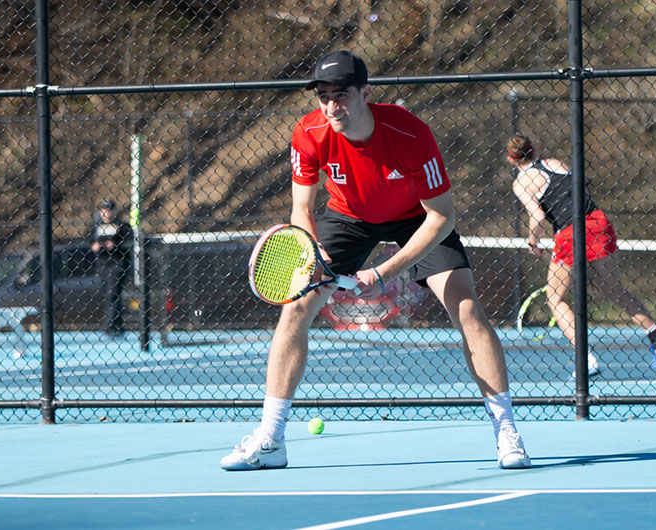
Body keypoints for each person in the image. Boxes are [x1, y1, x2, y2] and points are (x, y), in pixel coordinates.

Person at [220, 50, 531, 471]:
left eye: (341, 95)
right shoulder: (308, 133)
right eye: (324, 96)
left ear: (365, 93)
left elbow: (442, 216)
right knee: (295, 308)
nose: (332, 106)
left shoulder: (410, 135)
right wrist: (314, 250)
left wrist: (386, 272)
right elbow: (301, 209)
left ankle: (507, 433)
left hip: (416, 218)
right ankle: (271, 440)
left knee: (467, 308)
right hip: (348, 217)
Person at [507, 135, 656, 377]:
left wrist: (533, 242)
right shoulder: (555, 163)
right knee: (612, 288)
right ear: (534, 150)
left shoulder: (522, 181)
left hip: (570, 231)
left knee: (555, 299)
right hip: (598, 221)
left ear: (510, 158)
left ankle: (585, 359)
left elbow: (537, 216)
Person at [90, 199, 132, 338]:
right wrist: (95, 246)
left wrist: (115, 245)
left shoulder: (122, 226)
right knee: (107, 295)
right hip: (102, 263)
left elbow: (129, 241)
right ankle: (117, 326)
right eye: (103, 209)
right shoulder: (96, 227)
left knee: (113, 294)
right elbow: (89, 240)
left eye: (109, 209)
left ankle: (109, 326)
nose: (106, 212)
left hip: (117, 262)